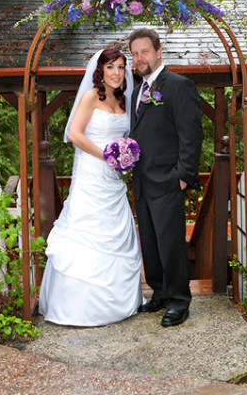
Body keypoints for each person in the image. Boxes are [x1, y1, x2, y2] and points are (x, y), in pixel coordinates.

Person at [38, 44, 144, 326]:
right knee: (87, 231)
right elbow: (74, 133)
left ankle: (119, 304)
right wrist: (107, 155)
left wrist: (124, 154)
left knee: (117, 230)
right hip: (91, 174)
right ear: (100, 70)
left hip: (113, 179)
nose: (117, 72)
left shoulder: (123, 101)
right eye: (111, 67)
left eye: (121, 67)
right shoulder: (89, 97)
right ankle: (79, 307)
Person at [129, 28, 203, 327]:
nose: (139, 58)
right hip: (143, 182)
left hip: (168, 182)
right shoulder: (137, 91)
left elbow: (191, 136)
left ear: (159, 51)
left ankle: (178, 301)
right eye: (134, 54)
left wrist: (182, 177)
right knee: (149, 241)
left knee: (171, 243)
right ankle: (159, 292)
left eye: (144, 51)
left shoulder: (178, 86)